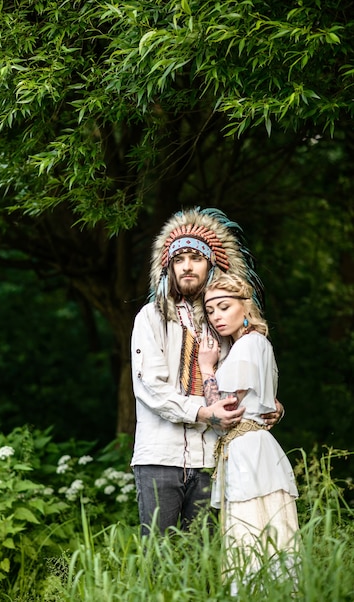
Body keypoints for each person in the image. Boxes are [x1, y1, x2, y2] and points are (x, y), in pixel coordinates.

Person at [130, 207, 284, 535]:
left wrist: (270, 406)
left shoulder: (223, 323)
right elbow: (149, 386)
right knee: (157, 555)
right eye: (178, 258)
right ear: (168, 266)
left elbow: (247, 376)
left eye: (195, 257)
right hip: (160, 455)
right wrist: (202, 412)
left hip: (212, 460)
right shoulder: (150, 317)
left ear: (211, 264)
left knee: (199, 558)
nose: (187, 265)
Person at [198, 272, 299, 590]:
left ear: (246, 306)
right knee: (261, 538)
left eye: (224, 307)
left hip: (249, 453)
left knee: (252, 538)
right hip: (249, 449)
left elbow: (222, 414)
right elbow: (265, 403)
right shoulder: (253, 344)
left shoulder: (249, 345)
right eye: (211, 310)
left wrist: (206, 368)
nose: (216, 316)